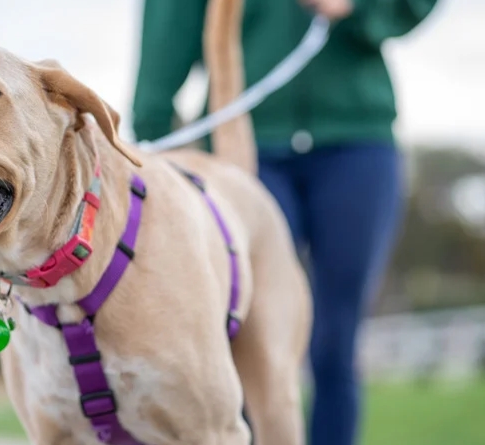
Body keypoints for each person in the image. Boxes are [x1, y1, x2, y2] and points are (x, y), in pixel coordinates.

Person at [131, 0, 438, 444]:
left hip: (356, 143)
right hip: (241, 141)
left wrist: (359, 9)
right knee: (241, 335)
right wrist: (152, 135)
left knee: (337, 342)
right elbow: (169, 23)